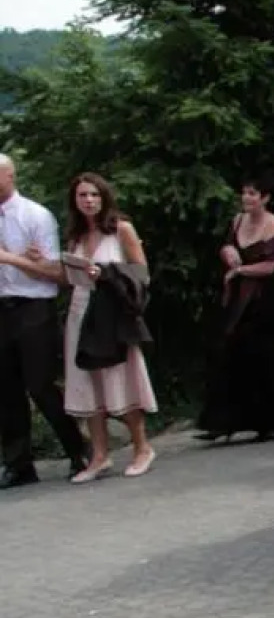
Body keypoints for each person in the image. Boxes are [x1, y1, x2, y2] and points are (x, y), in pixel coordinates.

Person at [53, 173, 158, 482]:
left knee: (119, 378)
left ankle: (142, 448)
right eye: (83, 195)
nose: (89, 201)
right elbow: (68, 278)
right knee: (87, 382)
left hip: (112, 314)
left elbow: (142, 273)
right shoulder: (76, 236)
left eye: (94, 195)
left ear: (104, 198)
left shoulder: (121, 230)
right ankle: (100, 455)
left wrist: (108, 273)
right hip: (81, 311)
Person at [0, 153, 89, 487]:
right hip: (1, 308)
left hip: (34, 306)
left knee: (39, 383)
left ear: (10, 176)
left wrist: (12, 260)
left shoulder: (35, 215)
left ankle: (77, 449)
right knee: (6, 388)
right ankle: (19, 463)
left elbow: (57, 273)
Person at [194, 176, 274, 443]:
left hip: (263, 300)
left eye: (253, 194)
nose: (247, 198)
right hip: (237, 298)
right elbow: (228, 244)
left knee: (265, 358)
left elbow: (270, 266)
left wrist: (240, 269)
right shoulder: (238, 220)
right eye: (244, 193)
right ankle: (223, 422)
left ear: (265, 198)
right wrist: (229, 253)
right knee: (228, 353)